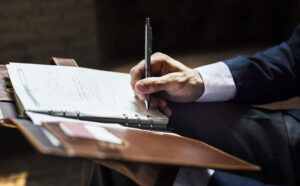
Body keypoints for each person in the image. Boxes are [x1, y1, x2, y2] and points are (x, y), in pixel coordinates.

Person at [130, 23, 300, 186]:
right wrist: (198, 81)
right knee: (145, 125)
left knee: (134, 162)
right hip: (293, 129)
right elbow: (294, 56)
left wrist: (176, 180)